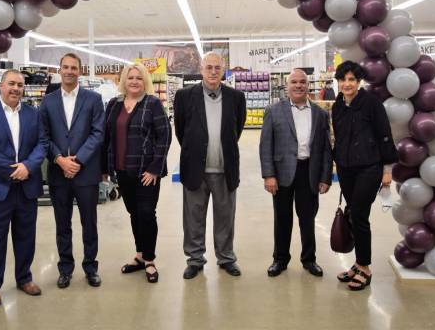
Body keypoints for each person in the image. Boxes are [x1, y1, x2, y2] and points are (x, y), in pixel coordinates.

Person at [0, 69, 48, 307]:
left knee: (26, 235)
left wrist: (28, 166)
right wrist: (13, 169)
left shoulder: (33, 114)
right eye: (12, 84)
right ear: (1, 86)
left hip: (27, 185)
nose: (16, 88)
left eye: (20, 85)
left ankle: (24, 278)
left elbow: (42, 143)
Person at [174, 52, 247, 279]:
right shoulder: (185, 96)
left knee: (225, 216)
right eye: (209, 67)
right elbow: (181, 130)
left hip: (225, 169)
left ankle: (226, 258)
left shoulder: (236, 97)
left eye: (217, 67)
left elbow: (237, 129)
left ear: (223, 69)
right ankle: (195, 260)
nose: (213, 71)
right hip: (196, 168)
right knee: (193, 218)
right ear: (201, 69)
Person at [259, 69, 333, 278]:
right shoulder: (274, 111)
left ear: (308, 85)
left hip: (308, 171)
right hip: (282, 173)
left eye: (302, 82)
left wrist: (325, 177)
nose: (299, 85)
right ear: (287, 86)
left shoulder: (320, 114)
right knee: (282, 218)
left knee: (307, 218)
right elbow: (266, 146)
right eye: (294, 82)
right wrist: (269, 175)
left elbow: (326, 149)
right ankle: (280, 259)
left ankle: (309, 259)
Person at [101, 63, 172, 283]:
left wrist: (154, 168)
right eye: (130, 77)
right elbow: (106, 138)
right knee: (134, 213)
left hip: (146, 172)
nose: (134, 81)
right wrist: (105, 169)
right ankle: (140, 255)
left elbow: (164, 137)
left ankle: (150, 260)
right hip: (123, 171)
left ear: (145, 82)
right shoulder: (114, 104)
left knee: (147, 214)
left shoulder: (153, 104)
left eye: (139, 78)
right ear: (124, 80)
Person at [332, 60, 398, 291]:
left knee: (359, 215)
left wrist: (387, 170)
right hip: (346, 169)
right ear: (338, 82)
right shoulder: (338, 106)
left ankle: (365, 267)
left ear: (358, 82)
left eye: (351, 79)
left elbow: (384, 135)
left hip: (369, 168)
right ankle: (357, 265)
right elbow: (339, 137)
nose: (347, 84)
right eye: (343, 79)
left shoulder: (371, 103)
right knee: (353, 214)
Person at [40, 53, 105, 288]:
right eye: (65, 67)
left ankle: (91, 267)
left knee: (89, 223)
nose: (69, 71)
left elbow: (98, 133)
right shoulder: (48, 101)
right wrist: (59, 159)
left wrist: (77, 160)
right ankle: (65, 268)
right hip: (59, 173)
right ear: (59, 70)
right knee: (62, 224)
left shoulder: (93, 99)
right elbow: (43, 136)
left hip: (85, 173)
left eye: (73, 67)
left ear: (80, 71)